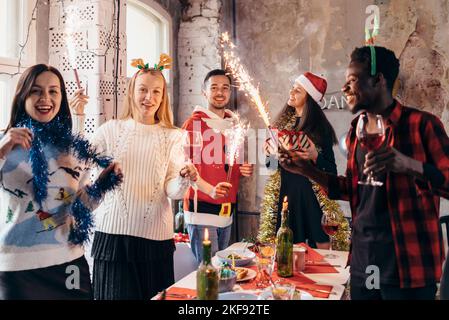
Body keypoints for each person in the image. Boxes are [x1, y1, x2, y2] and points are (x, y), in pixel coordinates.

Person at [280, 46, 449, 300]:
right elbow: (353, 189)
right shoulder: (356, 131)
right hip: (364, 264)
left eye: (352, 81)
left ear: (378, 80)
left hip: (407, 269)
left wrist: (409, 165)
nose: (345, 89)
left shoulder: (421, 125)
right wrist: (306, 170)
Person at [70, 56, 230, 299]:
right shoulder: (110, 130)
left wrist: (185, 179)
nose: (149, 97)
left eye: (156, 91)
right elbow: (77, 161)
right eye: (143, 90)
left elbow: (172, 190)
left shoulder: (173, 136)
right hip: (113, 241)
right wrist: (78, 116)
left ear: (163, 97)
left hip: (156, 242)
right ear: (132, 91)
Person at [0, 64, 121, 299]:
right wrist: (3, 147)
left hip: (69, 261)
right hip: (17, 267)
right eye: (36, 91)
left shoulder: (73, 148)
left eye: (53, 91)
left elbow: (77, 205)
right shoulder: (5, 143)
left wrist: (102, 186)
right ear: (22, 95)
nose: (45, 98)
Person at [182, 69, 254, 263]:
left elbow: (228, 164)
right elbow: (184, 167)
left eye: (225, 88)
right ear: (204, 92)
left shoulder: (234, 126)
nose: (220, 92)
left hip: (226, 210)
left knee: (222, 270)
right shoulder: (193, 124)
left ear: (230, 93)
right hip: (201, 211)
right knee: (210, 271)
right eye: (214, 88)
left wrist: (241, 169)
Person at [261, 72, 338, 248]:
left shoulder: (320, 129)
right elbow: (271, 168)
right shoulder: (279, 126)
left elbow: (332, 171)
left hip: (311, 198)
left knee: (322, 251)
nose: (291, 93)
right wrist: (270, 154)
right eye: (293, 88)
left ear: (309, 98)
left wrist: (315, 156)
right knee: (286, 250)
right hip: (285, 196)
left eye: (298, 91)